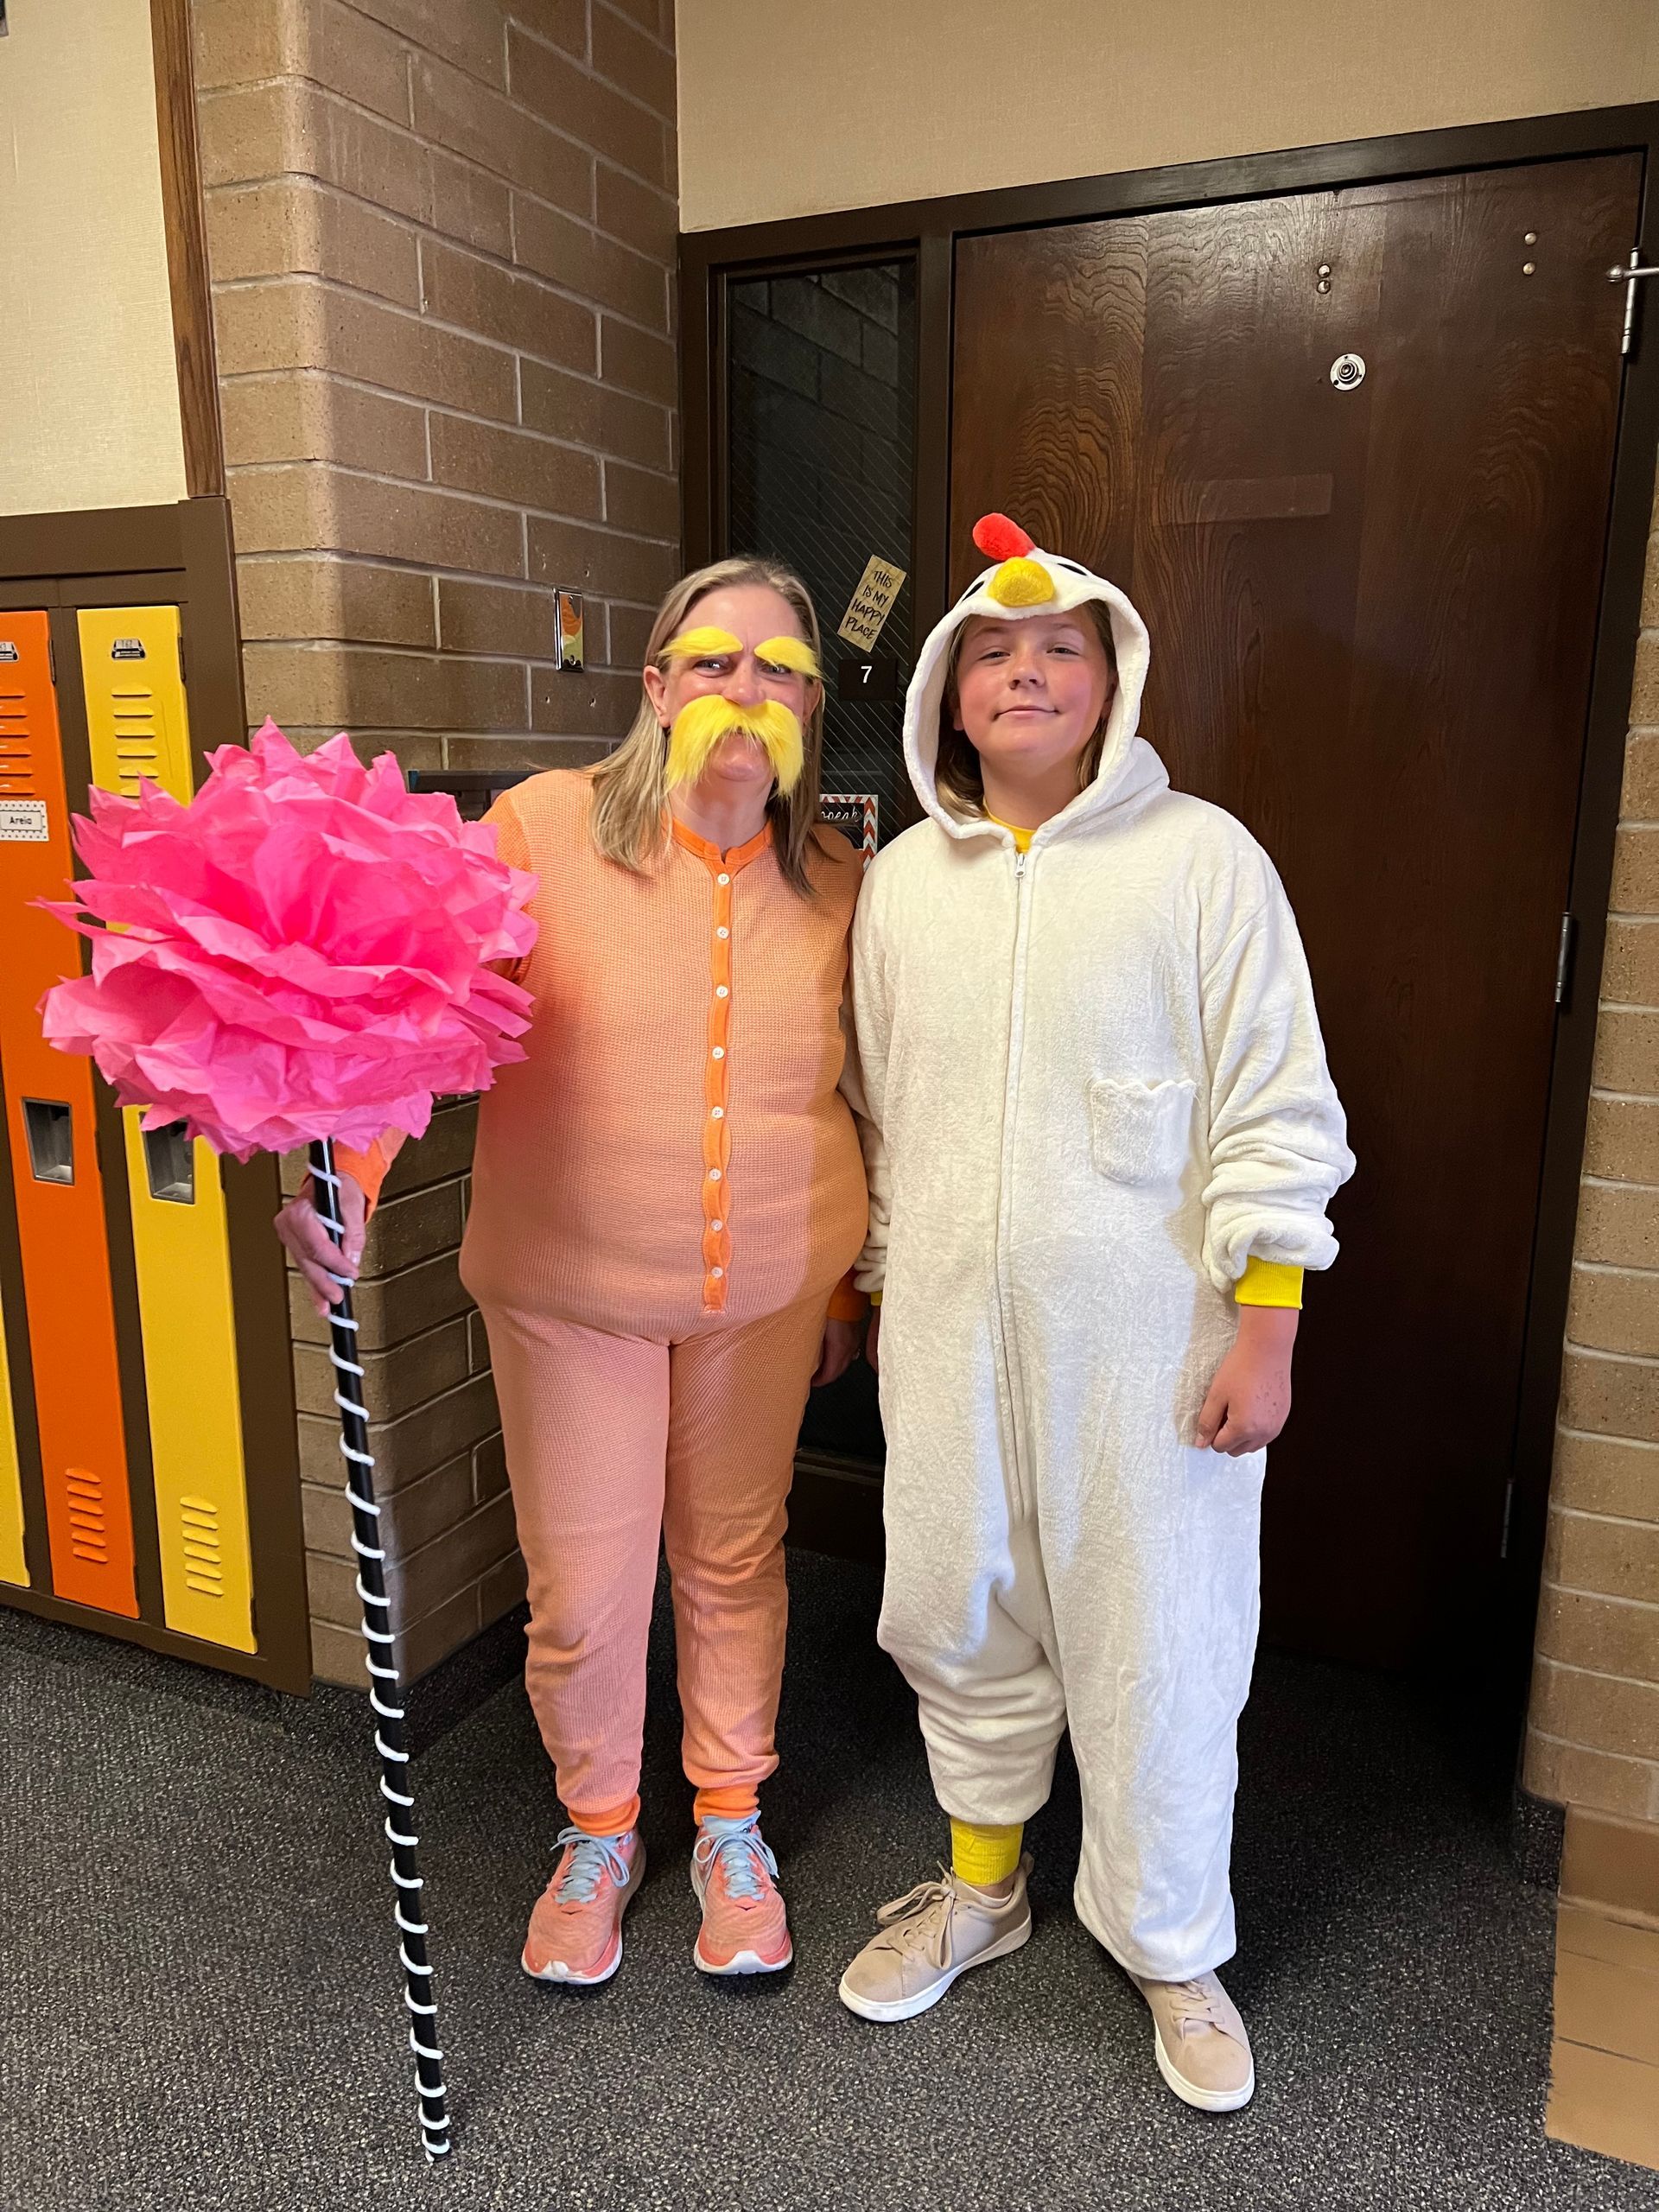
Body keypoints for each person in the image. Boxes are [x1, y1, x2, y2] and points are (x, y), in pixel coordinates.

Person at [277, 558, 869, 1986]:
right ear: (655, 686)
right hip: (569, 1292)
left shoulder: (845, 883)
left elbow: (873, 1097)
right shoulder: (536, 832)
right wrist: (346, 1185)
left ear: (809, 710)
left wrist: (852, 1291)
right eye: (714, 659)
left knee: (732, 1560)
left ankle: (731, 1816)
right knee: (587, 1592)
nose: (748, 689)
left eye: (783, 669)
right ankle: (601, 1826)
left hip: (772, 1294)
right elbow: (419, 1017)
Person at [837, 513, 1354, 2110]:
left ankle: (1172, 1941)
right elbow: (878, 1107)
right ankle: (982, 1888)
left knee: (1160, 1643)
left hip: (1156, 1350)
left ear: (1112, 678)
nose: (1025, 673)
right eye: (991, 651)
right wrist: (873, 1290)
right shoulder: (904, 885)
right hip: (942, 1329)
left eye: (1059, 647)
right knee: (954, 1606)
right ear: (945, 693)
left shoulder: (1205, 858)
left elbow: (1279, 1098)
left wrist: (1267, 1316)